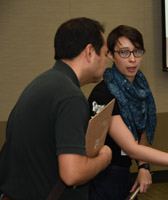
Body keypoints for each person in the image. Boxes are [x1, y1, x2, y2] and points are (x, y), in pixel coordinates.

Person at [88, 25, 168, 200]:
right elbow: (131, 148)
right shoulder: (104, 93)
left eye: (137, 51)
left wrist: (143, 167)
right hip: (102, 175)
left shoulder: (140, 87)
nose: (133, 59)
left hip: (125, 170)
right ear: (111, 55)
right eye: (124, 53)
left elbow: (140, 132)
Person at [0, 17, 112, 200]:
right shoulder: (70, 97)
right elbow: (72, 173)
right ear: (90, 52)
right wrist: (104, 158)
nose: (106, 60)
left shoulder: (42, 83)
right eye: (105, 53)